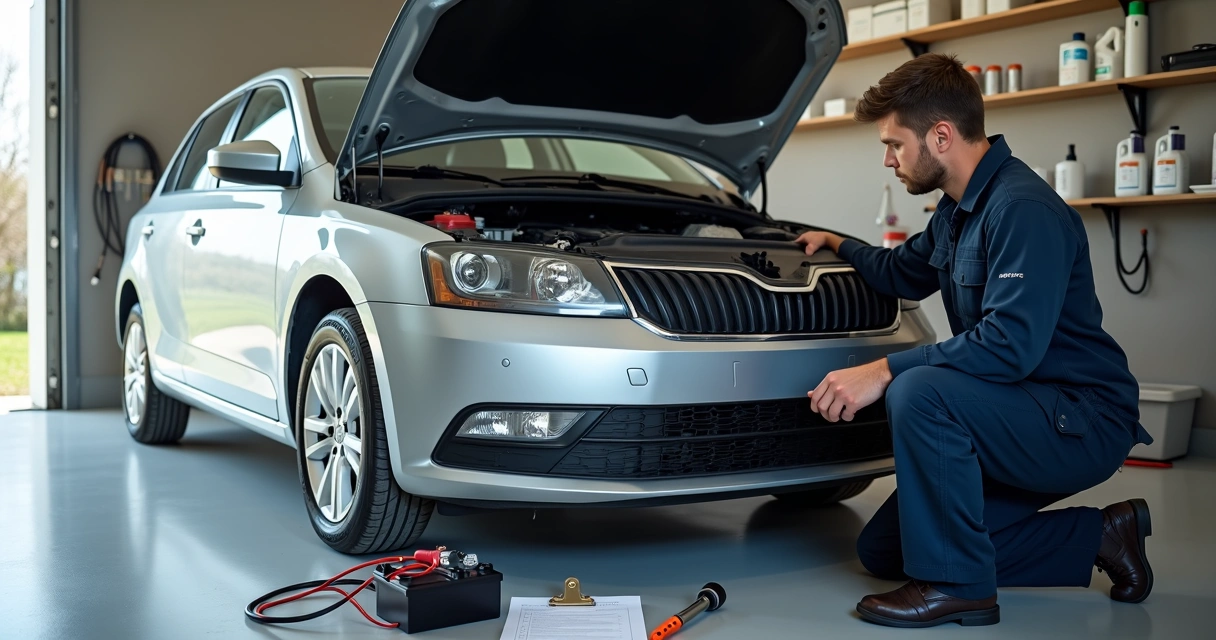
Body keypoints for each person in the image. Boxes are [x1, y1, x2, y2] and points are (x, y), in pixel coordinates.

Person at [794, 53, 1155, 629]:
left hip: (1079, 420)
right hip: (1015, 412)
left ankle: (959, 587)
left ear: (940, 136)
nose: (888, 160)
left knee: (921, 391)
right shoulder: (957, 212)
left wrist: (883, 370)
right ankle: (1104, 536)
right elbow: (897, 271)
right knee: (885, 552)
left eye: (894, 144)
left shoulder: (1021, 209)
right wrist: (835, 242)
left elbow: (1009, 345)